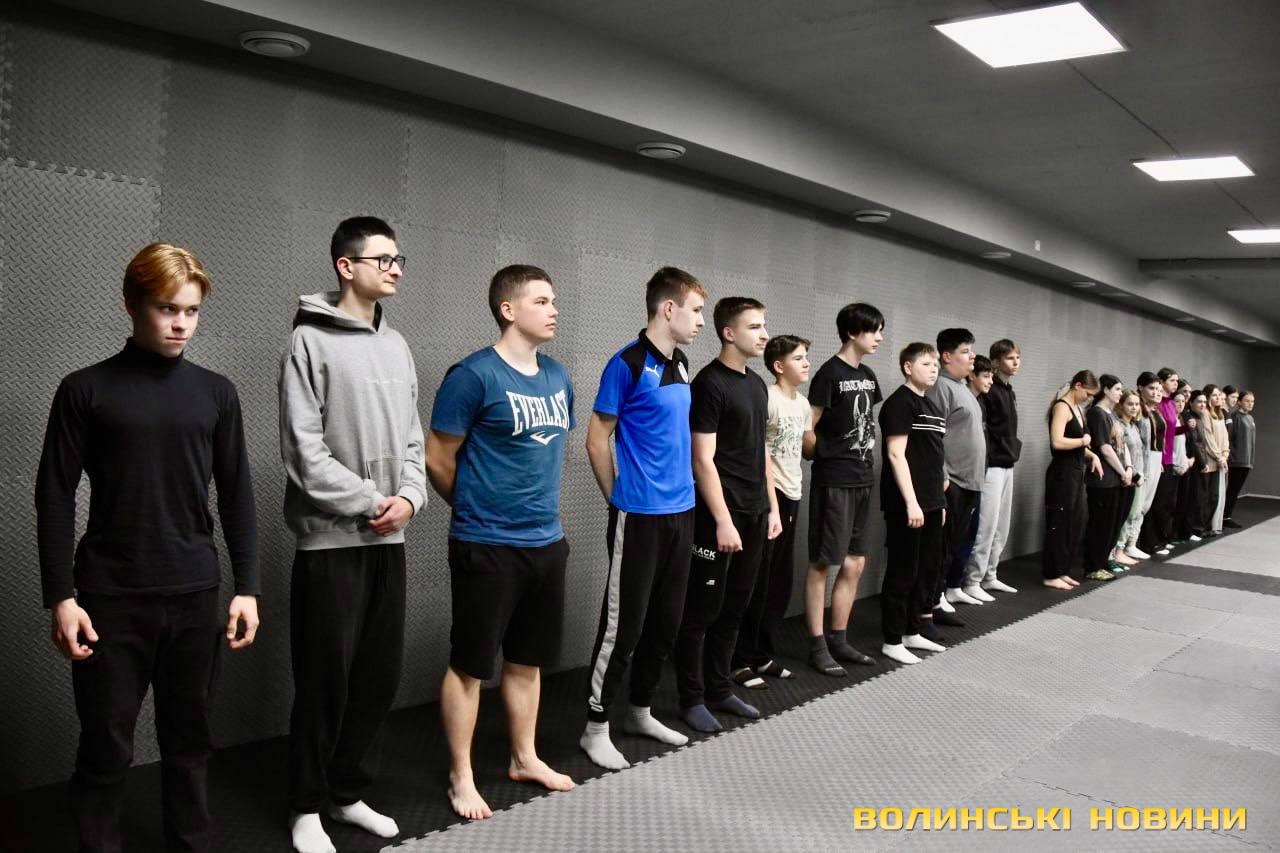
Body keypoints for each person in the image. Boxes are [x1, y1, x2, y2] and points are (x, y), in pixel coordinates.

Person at [37, 243, 261, 853]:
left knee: (190, 743)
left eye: (192, 311)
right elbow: (54, 496)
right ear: (132, 305)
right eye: (167, 309)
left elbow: (237, 493)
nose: (181, 323)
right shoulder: (84, 390)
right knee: (106, 746)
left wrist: (247, 587)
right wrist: (61, 597)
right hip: (109, 598)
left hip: (194, 594)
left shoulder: (217, 393)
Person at [281, 217, 427, 853]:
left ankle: (346, 793)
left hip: (390, 542)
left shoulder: (397, 345)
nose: (394, 269)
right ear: (346, 266)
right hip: (330, 545)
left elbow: (414, 439)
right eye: (382, 259)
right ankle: (305, 806)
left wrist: (410, 499)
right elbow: (304, 453)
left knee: (376, 678)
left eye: (398, 260)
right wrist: (372, 501)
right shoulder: (307, 342)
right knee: (325, 683)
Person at [427, 265, 577, 820]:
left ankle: (524, 758)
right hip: (486, 543)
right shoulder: (472, 376)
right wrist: (474, 506)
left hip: (546, 542)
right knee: (470, 665)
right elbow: (437, 458)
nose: (554, 310)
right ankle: (461, 776)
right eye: (541, 301)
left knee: (526, 660)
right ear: (509, 310)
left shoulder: (558, 376)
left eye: (554, 300)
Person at [579, 267, 707, 771]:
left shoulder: (682, 362)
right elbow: (596, 439)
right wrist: (619, 498)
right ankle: (595, 727)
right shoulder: (626, 363)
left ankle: (640, 710)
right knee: (623, 627)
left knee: (666, 622)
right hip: (641, 516)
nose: (700, 321)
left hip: (682, 512)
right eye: (695, 311)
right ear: (668, 309)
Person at [675, 297, 782, 733]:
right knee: (702, 610)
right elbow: (702, 459)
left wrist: (772, 506)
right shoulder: (709, 383)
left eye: (764, 325)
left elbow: (761, 451)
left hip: (755, 511)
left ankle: (720, 688)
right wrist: (722, 519)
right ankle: (691, 697)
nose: (764, 334)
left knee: (737, 605)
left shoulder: (757, 384)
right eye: (755, 327)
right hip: (719, 515)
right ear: (729, 333)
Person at [804, 303, 885, 676]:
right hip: (834, 480)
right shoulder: (829, 373)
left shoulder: (868, 375)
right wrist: (820, 454)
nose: (879, 337)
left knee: (855, 562)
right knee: (823, 562)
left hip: (862, 478)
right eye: (873, 330)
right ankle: (817, 645)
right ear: (853, 332)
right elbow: (809, 425)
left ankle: (839, 638)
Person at [732, 334, 813, 687]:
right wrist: (772, 506)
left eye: (806, 357)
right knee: (754, 583)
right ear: (779, 366)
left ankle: (761, 655)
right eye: (798, 358)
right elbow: (760, 452)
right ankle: (738, 659)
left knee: (778, 584)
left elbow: (806, 445)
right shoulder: (767, 397)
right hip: (769, 497)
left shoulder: (803, 404)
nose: (806, 363)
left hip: (792, 495)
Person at [878, 343, 948, 665]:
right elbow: (896, 454)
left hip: (932, 502)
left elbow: (934, 456)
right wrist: (912, 502)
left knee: (926, 569)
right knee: (903, 570)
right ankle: (892, 640)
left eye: (935, 365)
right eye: (926, 364)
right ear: (908, 367)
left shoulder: (930, 405)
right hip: (907, 504)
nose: (933, 369)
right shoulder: (899, 404)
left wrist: (939, 502)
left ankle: (911, 630)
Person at [927, 329, 986, 611]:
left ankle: (949, 589)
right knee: (942, 544)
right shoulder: (940, 387)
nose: (972, 356)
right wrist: (944, 476)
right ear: (947, 356)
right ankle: (934, 598)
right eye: (965, 351)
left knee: (957, 543)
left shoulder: (963, 388)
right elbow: (933, 437)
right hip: (953, 481)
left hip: (970, 481)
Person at [964, 340, 1022, 597]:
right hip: (992, 466)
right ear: (997, 361)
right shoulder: (990, 391)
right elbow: (985, 431)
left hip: (1008, 464)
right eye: (1010, 358)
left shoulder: (1009, 391)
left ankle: (990, 575)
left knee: (1001, 527)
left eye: (1017, 357)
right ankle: (972, 580)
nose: (1016, 362)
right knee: (985, 526)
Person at [1043, 371, 1104, 590]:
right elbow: (1057, 442)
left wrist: (1092, 455)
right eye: (1087, 393)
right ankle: (1051, 574)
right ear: (1078, 386)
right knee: (1059, 523)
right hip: (1062, 474)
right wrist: (1083, 442)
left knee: (1073, 523)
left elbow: (1080, 444)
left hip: (1076, 472)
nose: (1089, 398)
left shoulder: (1078, 409)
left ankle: (1062, 570)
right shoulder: (1062, 407)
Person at [1082, 376, 1129, 581]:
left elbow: (1121, 446)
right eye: (1117, 389)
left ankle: (1101, 562)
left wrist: (1127, 469)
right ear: (1106, 390)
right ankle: (1093, 566)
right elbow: (1105, 448)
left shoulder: (1112, 414)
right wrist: (1122, 472)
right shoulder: (1097, 413)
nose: (1120, 393)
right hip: (1102, 480)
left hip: (1114, 479)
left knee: (1110, 525)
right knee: (1099, 524)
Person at [1133, 372, 1169, 556]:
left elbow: (1159, 439)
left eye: (1158, 389)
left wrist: (1159, 461)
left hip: (1155, 458)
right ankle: (1130, 545)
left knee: (1146, 504)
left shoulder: (1155, 410)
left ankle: (1135, 543)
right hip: (1142, 460)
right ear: (1140, 387)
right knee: (1138, 504)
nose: (1156, 393)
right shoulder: (1137, 409)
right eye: (1151, 388)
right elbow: (1137, 440)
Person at [1112, 389, 1146, 567]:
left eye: (1136, 404)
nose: (1134, 407)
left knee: (1134, 514)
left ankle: (1123, 548)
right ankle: (1117, 551)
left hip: (1138, 476)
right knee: (1125, 516)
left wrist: (1141, 474)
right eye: (1130, 404)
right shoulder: (1119, 426)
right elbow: (1120, 454)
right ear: (1121, 405)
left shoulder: (1134, 425)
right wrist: (1133, 474)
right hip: (1127, 477)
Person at [1177, 389, 1212, 543]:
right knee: (1193, 498)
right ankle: (1190, 530)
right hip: (1194, 463)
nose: (1203, 404)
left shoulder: (1199, 418)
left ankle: (1196, 528)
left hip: (1200, 461)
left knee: (1200, 497)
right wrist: (1202, 462)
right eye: (1199, 402)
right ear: (1191, 403)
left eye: (1204, 402)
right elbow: (1194, 442)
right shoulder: (1189, 417)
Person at [1223, 390, 1256, 528]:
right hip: (1236, 461)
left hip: (1247, 461)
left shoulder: (1250, 418)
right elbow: (1229, 438)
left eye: (1252, 401)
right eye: (1247, 401)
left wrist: (1250, 459)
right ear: (1239, 402)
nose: (1250, 404)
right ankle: (1225, 517)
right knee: (1232, 490)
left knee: (1236, 490)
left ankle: (1227, 515)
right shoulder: (1234, 417)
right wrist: (1231, 456)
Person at [1202, 385, 1230, 536]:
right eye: (1214, 395)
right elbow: (1208, 438)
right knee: (1209, 496)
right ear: (1208, 397)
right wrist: (1219, 457)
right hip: (1211, 461)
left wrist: (1225, 454)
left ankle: (1214, 526)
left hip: (1220, 461)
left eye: (1219, 395)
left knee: (1217, 496)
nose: (1218, 398)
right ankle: (1205, 527)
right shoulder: (1205, 414)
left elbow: (1225, 437)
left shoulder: (1220, 414)